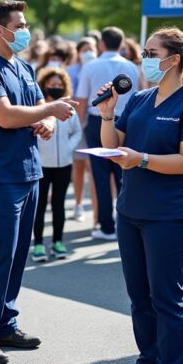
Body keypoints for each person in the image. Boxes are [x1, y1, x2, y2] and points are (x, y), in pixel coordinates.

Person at [0, 0, 77, 364]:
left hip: (29, 170)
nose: (26, 30)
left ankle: (5, 324)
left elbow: (35, 109)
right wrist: (48, 111)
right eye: (21, 24)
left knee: (17, 255)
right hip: (0, 174)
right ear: (0, 29)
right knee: (0, 254)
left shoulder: (24, 66)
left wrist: (47, 121)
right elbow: (5, 115)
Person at [99, 27, 183, 364]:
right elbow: (114, 147)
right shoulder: (139, 100)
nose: (143, 59)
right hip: (130, 210)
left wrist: (142, 159)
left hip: (168, 215)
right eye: (144, 53)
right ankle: (147, 363)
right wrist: (106, 114)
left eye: (150, 53)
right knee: (138, 297)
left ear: (173, 59)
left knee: (167, 299)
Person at [74, 26, 139, 240]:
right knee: (123, 175)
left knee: (100, 176)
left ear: (101, 43)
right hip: (127, 121)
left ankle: (106, 225)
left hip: (97, 120)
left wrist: (80, 124)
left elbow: (82, 99)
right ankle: (125, 223)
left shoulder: (91, 66)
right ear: (121, 44)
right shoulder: (131, 67)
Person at [31, 68, 82, 263]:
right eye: (52, 84)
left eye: (60, 85)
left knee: (59, 204)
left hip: (64, 164)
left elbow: (76, 132)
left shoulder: (70, 109)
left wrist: (68, 148)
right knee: (40, 205)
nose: (56, 88)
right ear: (44, 85)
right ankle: (37, 244)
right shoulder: (39, 108)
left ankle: (58, 242)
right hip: (42, 165)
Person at [69, 37, 97, 222]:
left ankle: (98, 209)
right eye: (85, 48)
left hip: (94, 122)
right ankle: (78, 203)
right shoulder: (72, 71)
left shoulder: (97, 67)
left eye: (92, 48)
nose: (88, 52)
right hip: (77, 122)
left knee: (94, 168)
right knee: (79, 165)